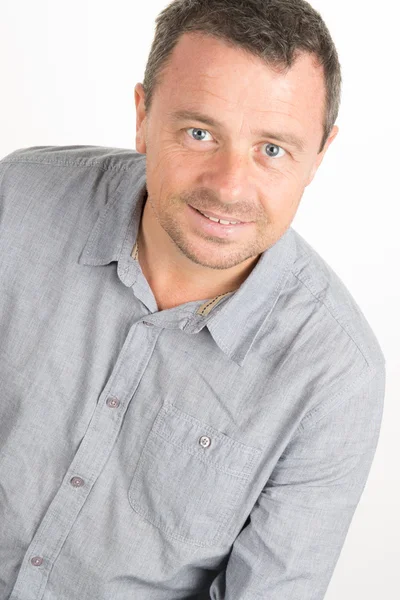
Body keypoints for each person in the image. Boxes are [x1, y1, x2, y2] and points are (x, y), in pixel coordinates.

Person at [0, 0, 386, 598]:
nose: (229, 186)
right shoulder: (17, 202)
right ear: (142, 115)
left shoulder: (336, 375)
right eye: (199, 132)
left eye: (273, 149)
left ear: (319, 156)